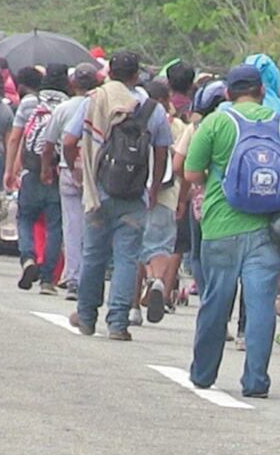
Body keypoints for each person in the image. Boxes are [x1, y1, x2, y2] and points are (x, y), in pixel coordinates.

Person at [183, 64, 280, 396]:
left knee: (216, 302)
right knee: (260, 305)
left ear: (227, 93)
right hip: (268, 228)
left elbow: (192, 173)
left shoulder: (216, 122)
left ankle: (203, 373)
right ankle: (255, 381)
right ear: (263, 91)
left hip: (220, 226)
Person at [63, 51, 172, 341]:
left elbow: (69, 140)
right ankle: (118, 322)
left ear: (109, 72)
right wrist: (154, 186)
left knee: (94, 255)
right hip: (133, 192)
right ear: (137, 75)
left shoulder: (94, 100)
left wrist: (79, 169)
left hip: (99, 190)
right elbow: (162, 152)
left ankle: (86, 317)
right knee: (127, 258)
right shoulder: (152, 109)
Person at [42, 63, 99, 301]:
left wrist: (47, 168)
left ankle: (74, 277)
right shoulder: (100, 107)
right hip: (95, 171)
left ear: (72, 83)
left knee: (72, 226)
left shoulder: (64, 108)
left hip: (68, 170)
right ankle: (89, 277)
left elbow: (49, 142)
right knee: (94, 226)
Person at [14, 64, 69, 295]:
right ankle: (47, 279)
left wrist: (12, 168)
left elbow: (17, 137)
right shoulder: (71, 106)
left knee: (25, 218)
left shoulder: (30, 103)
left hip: (32, 170)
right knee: (55, 226)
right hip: (57, 173)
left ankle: (28, 258)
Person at [137, 78, 187, 324]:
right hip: (167, 192)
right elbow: (180, 164)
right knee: (161, 245)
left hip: (136, 190)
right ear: (167, 100)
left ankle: (133, 307)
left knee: (136, 245)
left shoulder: (135, 119)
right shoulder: (176, 126)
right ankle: (157, 280)